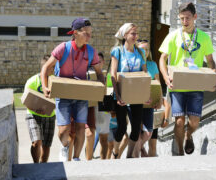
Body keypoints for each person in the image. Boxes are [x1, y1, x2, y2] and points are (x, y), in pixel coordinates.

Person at [41, 17, 105, 162]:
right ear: (75, 33)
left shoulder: (91, 51)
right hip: (63, 94)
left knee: (81, 128)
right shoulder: (63, 48)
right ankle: (65, 146)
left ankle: (76, 158)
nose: (89, 36)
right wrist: (45, 87)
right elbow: (45, 68)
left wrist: (101, 87)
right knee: (63, 131)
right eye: (86, 33)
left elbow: (100, 73)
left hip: (81, 94)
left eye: (90, 33)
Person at [159, 2, 216, 156]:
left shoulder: (204, 37)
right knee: (178, 122)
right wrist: (165, 78)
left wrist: (213, 78)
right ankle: (179, 152)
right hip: (177, 87)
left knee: (194, 122)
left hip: (195, 86)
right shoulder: (173, 36)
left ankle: (188, 135)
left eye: (188, 18)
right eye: (182, 18)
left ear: (195, 17)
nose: (185, 21)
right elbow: (162, 58)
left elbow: (210, 60)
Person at [110, 23, 148, 158]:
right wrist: (118, 95)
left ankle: (129, 155)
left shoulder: (141, 52)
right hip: (121, 94)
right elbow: (113, 74)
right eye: (132, 33)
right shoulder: (117, 51)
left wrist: (146, 94)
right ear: (125, 35)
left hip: (136, 94)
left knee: (136, 128)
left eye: (136, 33)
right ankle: (115, 151)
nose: (135, 36)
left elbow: (145, 74)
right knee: (121, 128)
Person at [133, 39, 163, 157]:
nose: (144, 51)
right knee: (137, 131)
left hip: (149, 103)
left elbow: (158, 83)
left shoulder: (153, 64)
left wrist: (160, 99)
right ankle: (135, 155)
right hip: (135, 102)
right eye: (142, 49)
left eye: (146, 49)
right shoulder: (134, 64)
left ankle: (136, 149)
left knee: (148, 132)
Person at [24, 55, 56, 163]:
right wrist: (37, 110)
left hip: (49, 116)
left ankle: (43, 168)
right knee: (37, 142)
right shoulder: (32, 81)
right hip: (33, 115)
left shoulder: (55, 81)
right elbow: (25, 101)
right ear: (45, 68)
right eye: (52, 67)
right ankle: (36, 165)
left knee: (46, 146)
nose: (55, 69)